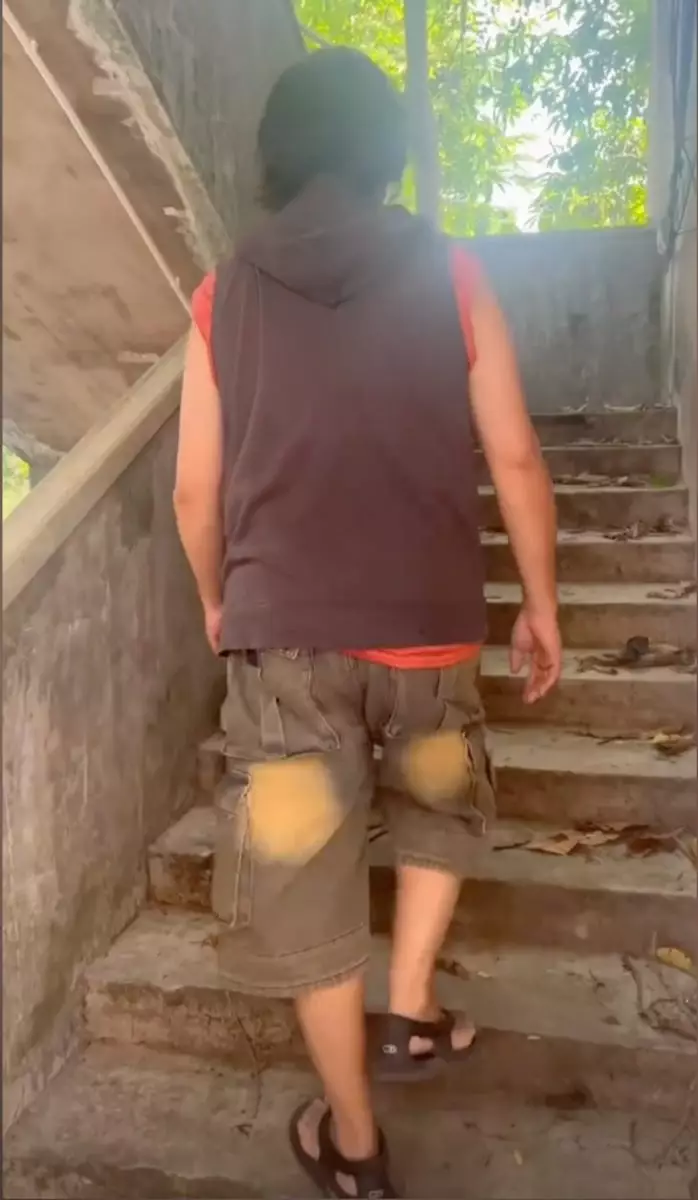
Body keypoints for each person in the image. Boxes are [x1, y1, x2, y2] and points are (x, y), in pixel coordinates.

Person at [174, 46, 561, 1200]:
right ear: (384, 151)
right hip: (430, 635)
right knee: (436, 802)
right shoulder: (450, 272)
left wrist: (218, 599)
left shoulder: (221, 294)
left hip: (283, 643)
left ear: (276, 155)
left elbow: (194, 493)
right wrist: (539, 604)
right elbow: (515, 455)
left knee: (305, 887)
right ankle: (411, 1003)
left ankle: (353, 1144)